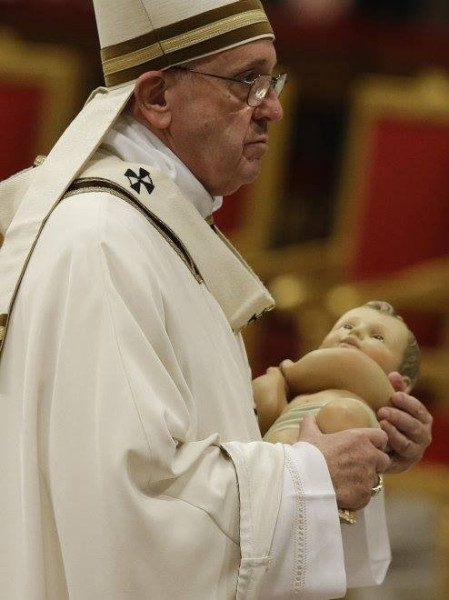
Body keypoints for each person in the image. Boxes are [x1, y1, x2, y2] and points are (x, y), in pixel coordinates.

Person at [0, 1, 432, 599]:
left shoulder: (156, 220)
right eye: (247, 81)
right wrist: (309, 476)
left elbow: (199, 436)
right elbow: (126, 508)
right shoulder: (102, 241)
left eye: (272, 79)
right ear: (157, 98)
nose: (273, 107)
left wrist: (352, 439)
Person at [254, 300, 420, 443]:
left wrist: (288, 369)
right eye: (347, 326)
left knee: (342, 412)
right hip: (275, 454)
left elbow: (346, 362)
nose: (355, 331)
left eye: (377, 337)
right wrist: (274, 381)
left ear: (399, 384)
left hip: (336, 438)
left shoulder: (353, 366)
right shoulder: (297, 390)